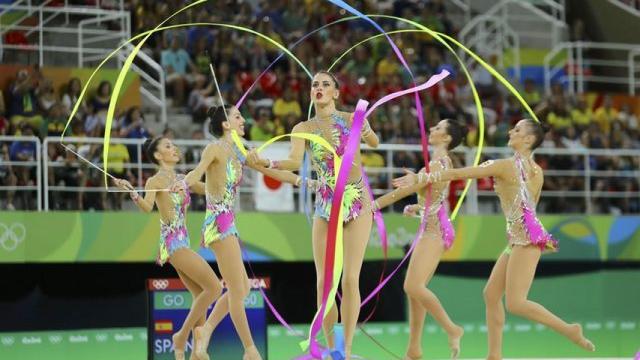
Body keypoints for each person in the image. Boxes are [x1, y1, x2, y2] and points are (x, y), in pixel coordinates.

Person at [393, 119, 596, 359]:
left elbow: (461, 173)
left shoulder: (505, 166)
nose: (510, 131)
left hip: (526, 241)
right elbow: (530, 207)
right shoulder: (537, 171)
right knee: (491, 294)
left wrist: (419, 179)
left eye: (517, 130)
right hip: (521, 238)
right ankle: (494, 355)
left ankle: (569, 330)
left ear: (528, 140)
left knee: (516, 303)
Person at [248, 71, 379, 359]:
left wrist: (366, 128)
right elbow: (294, 162)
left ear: (335, 92)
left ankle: (347, 348)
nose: (318, 88)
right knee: (325, 283)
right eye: (314, 85)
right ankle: (332, 349)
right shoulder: (302, 127)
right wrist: (266, 160)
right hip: (326, 204)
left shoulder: (350, 118)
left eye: (325, 85)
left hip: (356, 199)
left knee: (350, 279)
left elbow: (375, 143)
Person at [115, 137, 221, 360]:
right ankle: (181, 337)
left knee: (200, 295)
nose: (174, 149)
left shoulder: (183, 179)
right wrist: (131, 190)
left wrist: (219, 167)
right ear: (157, 155)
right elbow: (146, 207)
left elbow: (210, 189)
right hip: (173, 243)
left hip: (184, 241)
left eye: (174, 145)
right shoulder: (154, 181)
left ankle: (196, 354)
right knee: (214, 287)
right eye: (168, 146)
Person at [372, 119, 467, 360]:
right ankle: (414, 350)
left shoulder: (441, 162)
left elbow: (430, 181)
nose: (431, 130)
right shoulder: (434, 164)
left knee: (412, 286)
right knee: (415, 291)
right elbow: (434, 197)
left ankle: (453, 329)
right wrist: (416, 206)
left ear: (446, 138)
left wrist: (415, 182)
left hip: (435, 231)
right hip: (430, 227)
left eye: (437, 128)